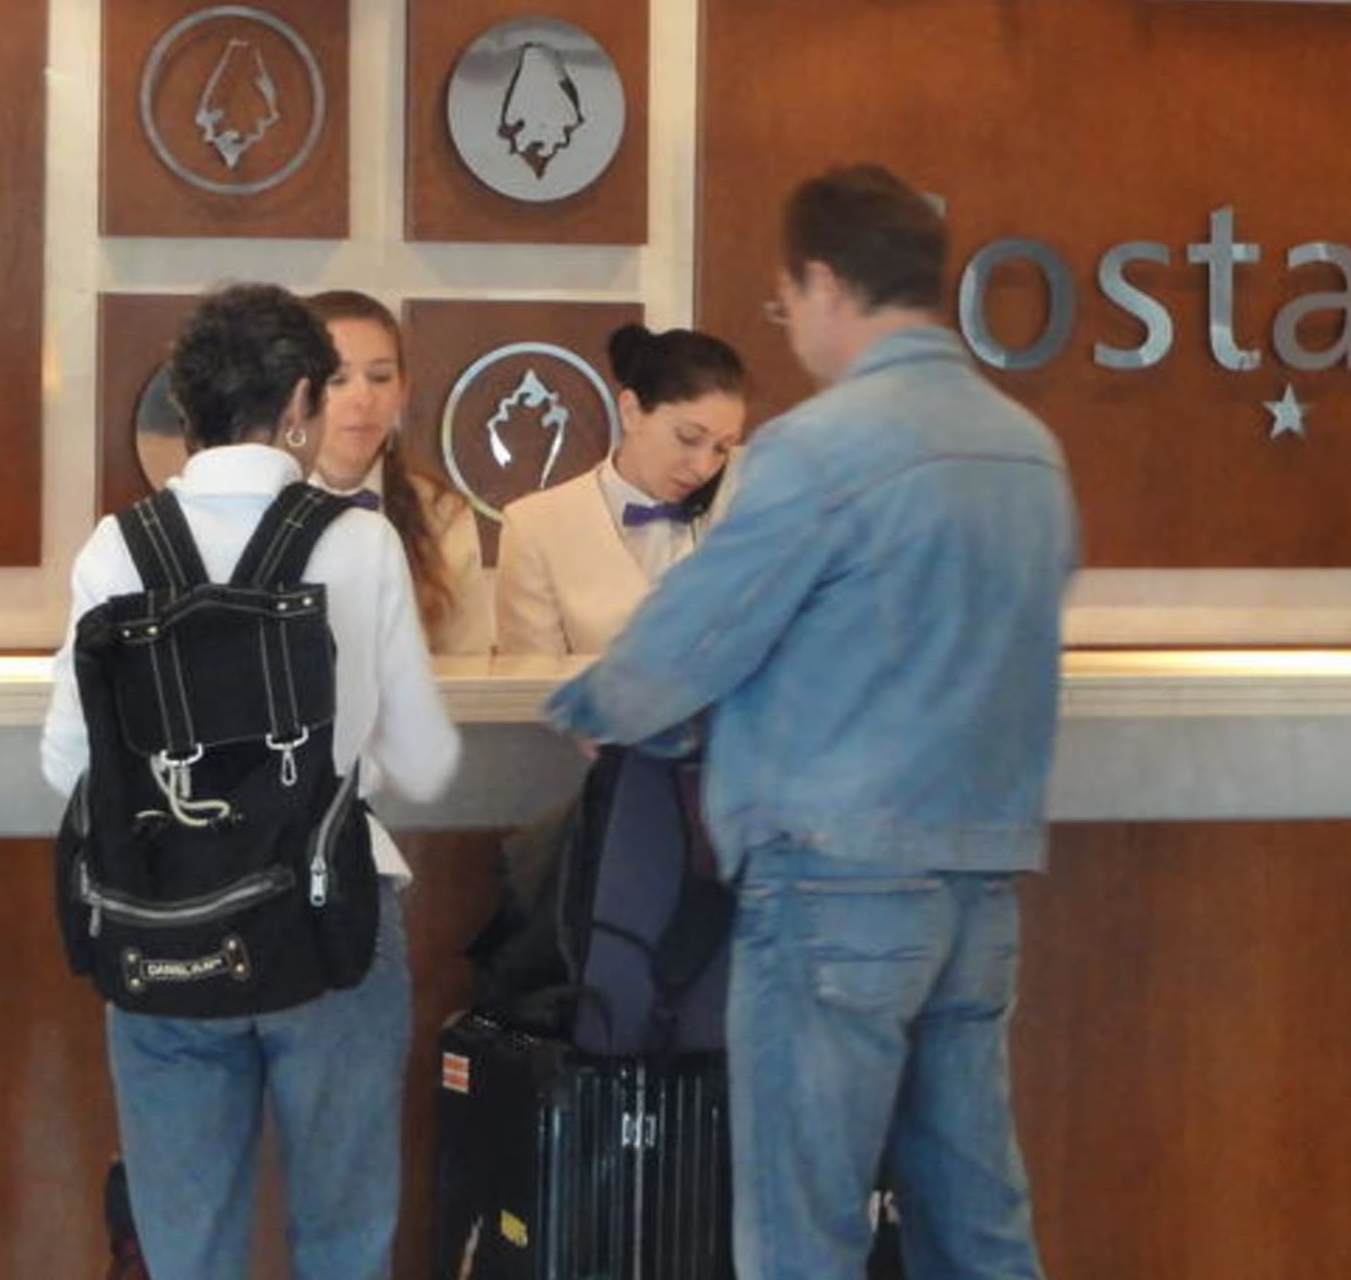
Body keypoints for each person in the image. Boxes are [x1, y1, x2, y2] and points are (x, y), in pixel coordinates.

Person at [541, 165, 1077, 1280]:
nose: (790, 329)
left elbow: (694, 636)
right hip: (981, 889)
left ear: (826, 284)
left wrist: (593, 707)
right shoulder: (1026, 450)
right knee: (976, 1224)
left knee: (803, 1238)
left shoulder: (822, 450)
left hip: (835, 889)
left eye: (787, 302)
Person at [41, 283, 461, 1280]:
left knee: (187, 1251)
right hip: (327, 927)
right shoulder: (358, 540)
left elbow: (66, 761)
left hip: (161, 931)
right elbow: (426, 760)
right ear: (302, 402)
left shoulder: (118, 546)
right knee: (342, 1242)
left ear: (187, 404)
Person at [493, 323, 747, 655]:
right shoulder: (536, 526)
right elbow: (533, 679)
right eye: (688, 438)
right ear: (631, 412)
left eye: (722, 448)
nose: (703, 467)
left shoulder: (747, 507)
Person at [304, 289, 491, 656]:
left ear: (403, 390)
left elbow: (469, 663)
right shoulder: (261, 503)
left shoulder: (441, 511)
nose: (363, 399)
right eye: (337, 379)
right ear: (296, 393)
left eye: (380, 377)